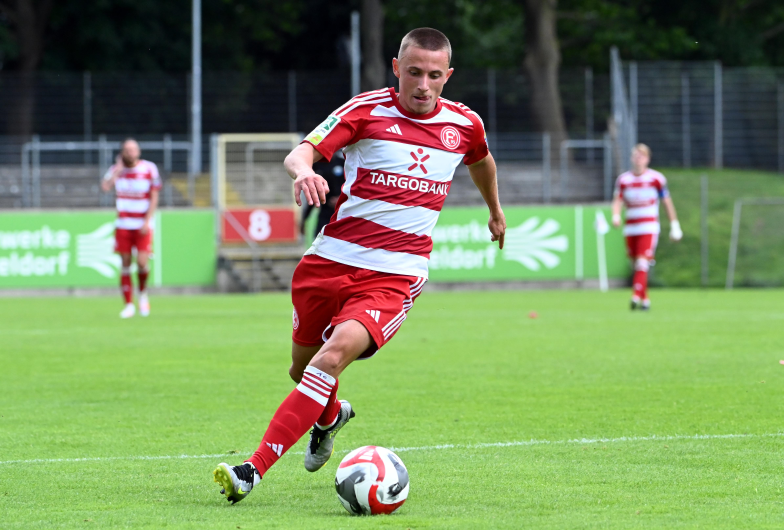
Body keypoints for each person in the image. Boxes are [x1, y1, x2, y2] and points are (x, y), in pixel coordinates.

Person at [213, 27, 506, 504]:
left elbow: (482, 160)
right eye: (413, 72)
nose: (423, 85)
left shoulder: (464, 125)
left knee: (331, 356)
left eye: (434, 75)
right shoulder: (365, 111)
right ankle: (329, 417)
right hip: (328, 262)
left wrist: (494, 209)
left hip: (395, 275)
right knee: (301, 369)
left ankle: (252, 470)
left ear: (448, 75)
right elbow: (301, 152)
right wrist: (305, 171)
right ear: (396, 68)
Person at [611, 143, 682, 310]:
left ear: (648, 159)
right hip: (631, 227)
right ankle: (645, 300)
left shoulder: (656, 179)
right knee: (636, 264)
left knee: (643, 262)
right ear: (631, 158)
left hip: (649, 226)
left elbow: (667, 202)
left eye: (642, 156)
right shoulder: (623, 180)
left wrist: (674, 224)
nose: (638, 159)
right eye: (636, 156)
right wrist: (615, 215)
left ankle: (635, 296)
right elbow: (617, 201)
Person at [101, 138, 161, 318]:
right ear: (122, 152)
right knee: (125, 263)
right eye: (127, 150)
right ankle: (128, 304)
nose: (131, 153)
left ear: (139, 152)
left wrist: (147, 220)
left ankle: (142, 294)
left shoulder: (149, 168)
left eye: (133, 150)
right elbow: (105, 187)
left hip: (142, 224)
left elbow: (154, 196)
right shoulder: (115, 170)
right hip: (123, 224)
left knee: (142, 262)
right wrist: (118, 171)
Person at [300, 150, 346, 238]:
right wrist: (304, 219)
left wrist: (341, 198)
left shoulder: (343, 163)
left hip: (343, 211)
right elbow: (313, 194)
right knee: (319, 241)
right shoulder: (316, 166)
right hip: (325, 212)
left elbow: (354, 184)